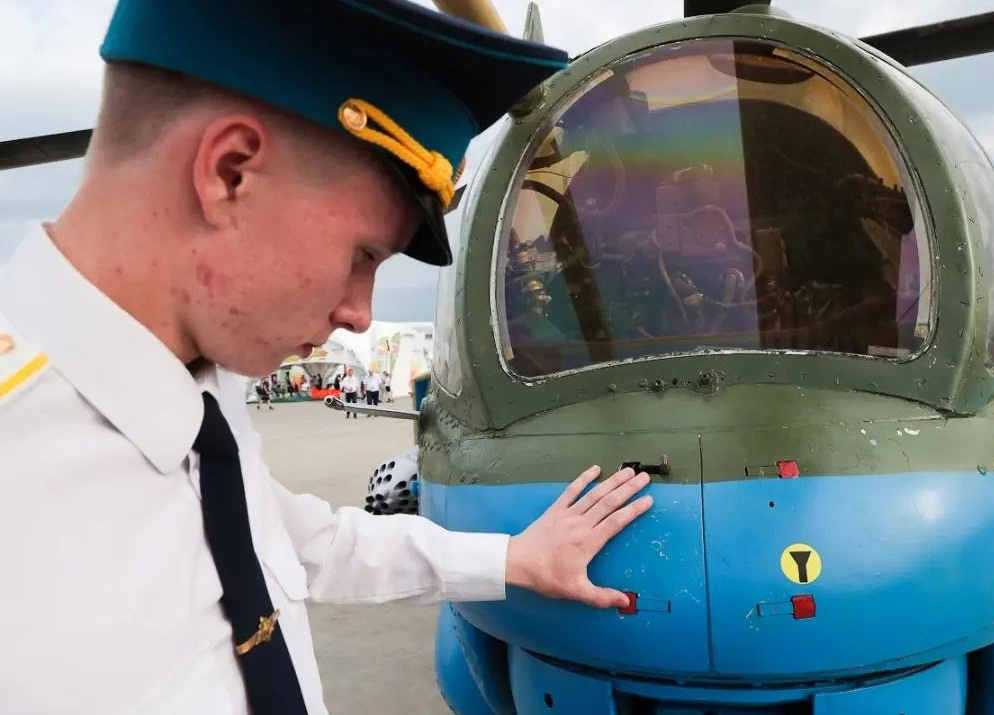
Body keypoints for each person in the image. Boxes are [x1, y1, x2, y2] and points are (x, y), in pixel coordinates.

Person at [0, 1, 652, 713]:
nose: (359, 313)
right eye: (363, 255)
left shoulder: (197, 399)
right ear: (229, 173)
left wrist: (516, 559)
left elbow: (292, 540)